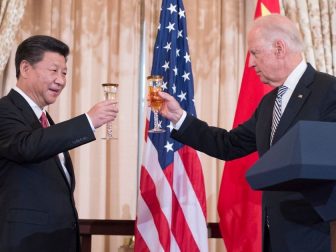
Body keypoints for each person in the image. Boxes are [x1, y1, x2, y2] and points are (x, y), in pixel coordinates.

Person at [158, 14, 336, 252]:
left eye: (255, 52)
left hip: (318, 233)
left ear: (279, 48)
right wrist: (179, 117)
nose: (251, 63)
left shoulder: (329, 91)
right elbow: (229, 144)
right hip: (274, 234)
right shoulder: (269, 103)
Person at [0, 35, 118, 252]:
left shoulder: (45, 121)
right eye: (54, 71)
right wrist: (88, 121)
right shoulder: (5, 110)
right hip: (25, 243)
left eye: (64, 73)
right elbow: (27, 146)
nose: (61, 80)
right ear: (25, 68)